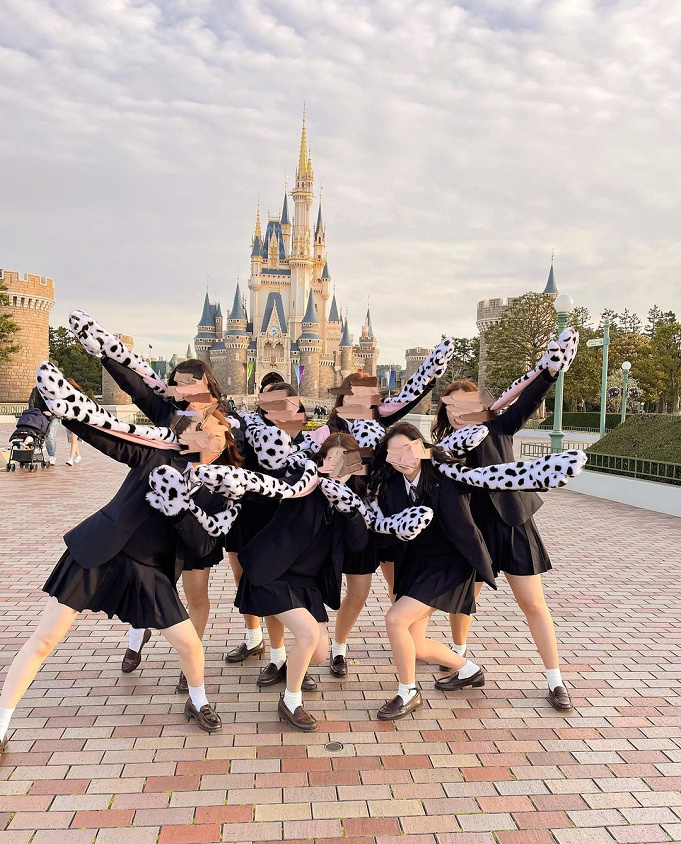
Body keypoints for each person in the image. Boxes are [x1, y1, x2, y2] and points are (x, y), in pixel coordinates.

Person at [0, 364, 232, 758]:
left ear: (226, 440)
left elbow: (200, 544)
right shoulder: (156, 452)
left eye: (216, 431)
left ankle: (198, 700)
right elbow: (108, 435)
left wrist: (179, 510)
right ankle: (2, 724)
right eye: (200, 429)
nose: (208, 434)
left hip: (150, 570)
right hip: (100, 551)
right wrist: (66, 405)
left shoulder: (223, 489)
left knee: (190, 644)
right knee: (43, 639)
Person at [431, 370, 573, 711]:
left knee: (533, 604)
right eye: (450, 406)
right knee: (463, 599)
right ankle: (459, 662)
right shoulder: (443, 446)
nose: (456, 412)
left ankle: (556, 680)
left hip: (513, 525)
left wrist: (549, 373)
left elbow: (527, 400)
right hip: (474, 532)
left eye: (463, 404)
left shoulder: (499, 426)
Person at [222, 433, 369, 731]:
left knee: (319, 653)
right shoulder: (305, 486)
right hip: (272, 574)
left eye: (345, 459)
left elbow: (358, 544)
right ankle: (291, 701)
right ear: (322, 462)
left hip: (307, 584)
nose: (337, 464)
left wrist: (349, 509)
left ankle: (291, 666)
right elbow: (275, 487)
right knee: (307, 635)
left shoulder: (351, 500)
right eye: (331, 458)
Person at [367, 422, 496, 720]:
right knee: (416, 644)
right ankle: (469, 671)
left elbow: (489, 479)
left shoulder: (446, 475)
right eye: (393, 452)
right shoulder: (391, 487)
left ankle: (408, 692)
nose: (402, 457)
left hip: (451, 564)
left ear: (421, 447)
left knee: (395, 619)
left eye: (407, 448)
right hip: (417, 567)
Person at [28, 385, 58, 466]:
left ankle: (52, 456)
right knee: (36, 433)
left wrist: (51, 413)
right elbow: (31, 402)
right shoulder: (35, 390)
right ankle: (36, 448)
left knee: (50, 435)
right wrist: (33, 413)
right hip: (40, 416)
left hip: (53, 417)